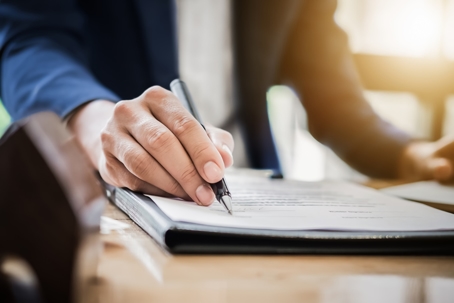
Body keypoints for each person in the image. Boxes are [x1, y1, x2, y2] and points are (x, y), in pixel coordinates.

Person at [0, 0, 452, 208]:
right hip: (107, 201)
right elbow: (29, 40)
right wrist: (98, 122)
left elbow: (333, 97)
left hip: (255, 204)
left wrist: (413, 156)